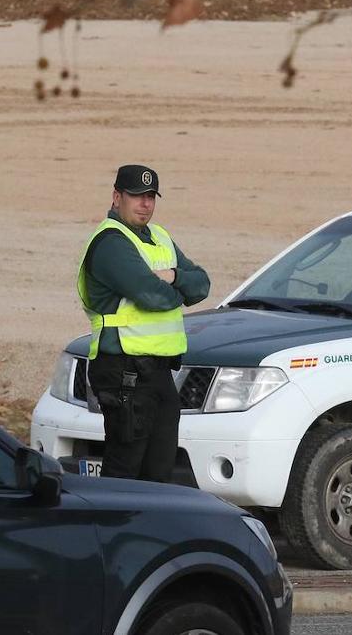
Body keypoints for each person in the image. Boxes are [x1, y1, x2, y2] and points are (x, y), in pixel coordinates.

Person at [76, 164, 210, 482]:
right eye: (137, 196)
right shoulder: (111, 242)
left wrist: (173, 276)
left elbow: (202, 284)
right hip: (123, 370)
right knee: (124, 470)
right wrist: (178, 289)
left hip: (158, 373)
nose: (145, 204)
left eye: (150, 196)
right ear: (116, 197)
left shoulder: (159, 237)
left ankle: (147, 532)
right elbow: (153, 296)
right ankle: (113, 532)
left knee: (159, 472)